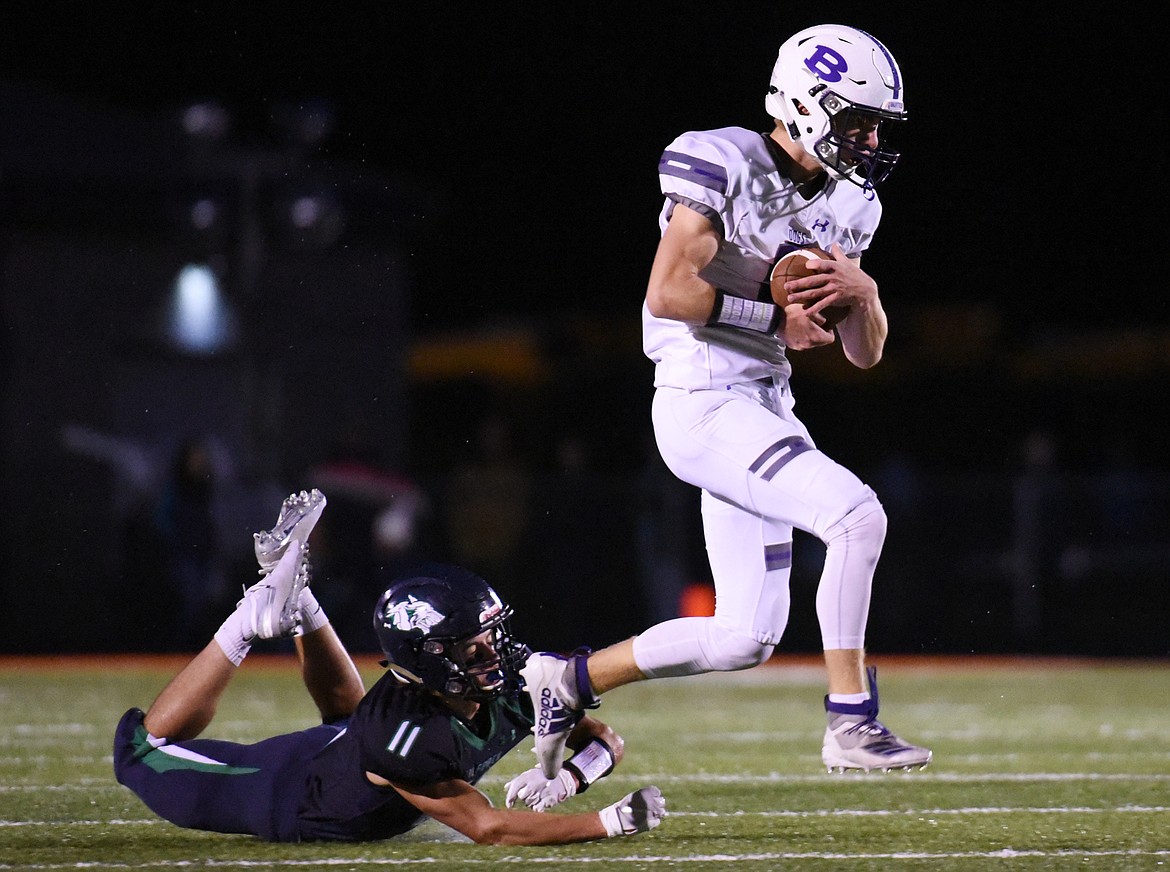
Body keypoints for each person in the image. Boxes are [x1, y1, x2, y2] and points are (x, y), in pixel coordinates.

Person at [523, 24, 931, 776]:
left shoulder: (853, 206)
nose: (870, 140)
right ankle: (851, 721)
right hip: (703, 399)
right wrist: (780, 318)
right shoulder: (724, 159)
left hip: (763, 406)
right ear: (808, 105)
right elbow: (668, 292)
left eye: (877, 126)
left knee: (744, 636)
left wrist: (865, 295)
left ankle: (567, 680)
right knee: (855, 515)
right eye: (857, 121)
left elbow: (864, 354)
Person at [114, 489, 665, 845]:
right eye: (471, 647)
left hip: (347, 748)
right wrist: (606, 823)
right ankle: (250, 618)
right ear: (428, 660)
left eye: (491, 638)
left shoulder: (512, 682)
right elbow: (488, 826)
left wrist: (568, 780)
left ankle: (299, 598)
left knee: (346, 721)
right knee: (140, 756)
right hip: (288, 793)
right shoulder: (401, 736)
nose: (492, 655)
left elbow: (604, 742)